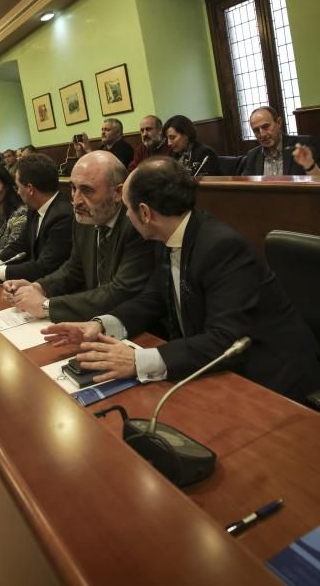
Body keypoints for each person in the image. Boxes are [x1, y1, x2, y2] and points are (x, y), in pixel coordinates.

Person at [42, 157, 320, 403]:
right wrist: (100, 325)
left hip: (272, 378)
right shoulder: (168, 235)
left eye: (127, 208)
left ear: (146, 213)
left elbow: (226, 341)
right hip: (218, 368)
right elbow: (152, 299)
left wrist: (138, 360)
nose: (126, 215)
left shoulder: (221, 248)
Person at [7, 151, 154, 322]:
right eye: (73, 188)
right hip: (93, 320)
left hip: (131, 325)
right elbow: (74, 268)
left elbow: (119, 292)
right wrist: (39, 287)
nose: (76, 201)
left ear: (118, 193)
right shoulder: (85, 218)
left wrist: (46, 306)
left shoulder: (138, 225)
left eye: (87, 190)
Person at [0, 153, 73, 282]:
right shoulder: (34, 209)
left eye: (18, 187)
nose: (17, 192)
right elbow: (19, 246)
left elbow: (45, 266)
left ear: (30, 189)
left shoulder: (62, 216)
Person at [243, 106, 320, 175]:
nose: (262, 134)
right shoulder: (253, 155)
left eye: (266, 127)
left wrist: (310, 165)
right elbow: (244, 186)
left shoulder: (304, 145)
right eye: (256, 130)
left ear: (279, 123)